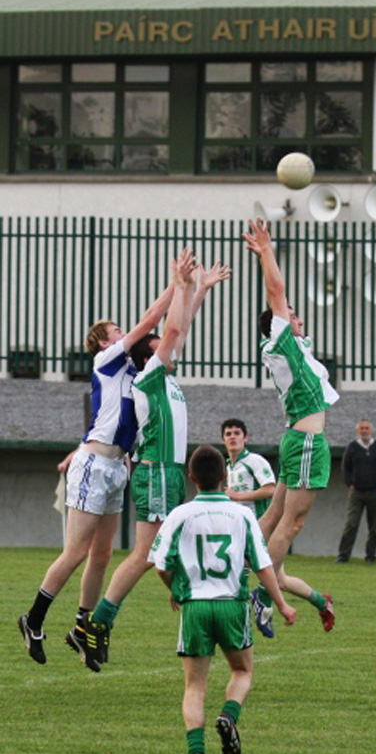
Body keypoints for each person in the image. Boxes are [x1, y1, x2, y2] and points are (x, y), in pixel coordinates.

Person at [18, 252, 192, 668]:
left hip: (118, 468)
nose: (123, 333)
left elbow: (173, 331)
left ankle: (81, 629)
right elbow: (153, 320)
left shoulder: (137, 372)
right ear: (101, 341)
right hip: (95, 463)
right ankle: (33, 618)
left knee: (101, 556)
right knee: (76, 551)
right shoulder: (106, 361)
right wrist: (177, 283)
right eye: (116, 330)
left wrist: (191, 290)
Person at [81, 262, 231, 670]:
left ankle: (165, 601)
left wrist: (198, 289)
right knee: (147, 554)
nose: (164, 341)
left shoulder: (163, 374)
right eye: (156, 341)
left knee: (157, 552)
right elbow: (175, 329)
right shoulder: (149, 373)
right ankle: (98, 622)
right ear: (148, 350)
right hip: (156, 471)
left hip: (164, 472)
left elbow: (181, 325)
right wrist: (181, 285)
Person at [148, 444, 297, 754]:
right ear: (224, 476)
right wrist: (282, 604)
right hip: (232, 605)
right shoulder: (242, 514)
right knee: (242, 670)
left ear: (191, 478)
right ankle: (228, 716)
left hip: (196, 607)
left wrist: (175, 588)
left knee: (195, 684)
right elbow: (263, 564)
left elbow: (160, 564)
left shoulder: (180, 514)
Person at [242, 218, 339, 638]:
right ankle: (262, 597)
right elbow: (277, 294)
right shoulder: (280, 339)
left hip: (299, 440)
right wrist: (267, 251)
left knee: (272, 523)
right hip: (304, 441)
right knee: (290, 526)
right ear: (278, 324)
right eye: (291, 316)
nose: (296, 318)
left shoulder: (294, 347)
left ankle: (248, 575)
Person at [336, 418, 376, 563]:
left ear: (371, 430)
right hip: (357, 492)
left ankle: (371, 556)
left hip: (375, 492)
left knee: (374, 526)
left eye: (367, 428)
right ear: (357, 431)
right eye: (362, 428)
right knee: (351, 524)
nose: (364, 431)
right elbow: (345, 467)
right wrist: (350, 484)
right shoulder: (352, 447)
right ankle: (343, 555)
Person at [221, 418, 276, 519]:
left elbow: (270, 490)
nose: (232, 437)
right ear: (223, 440)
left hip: (257, 521)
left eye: (237, 433)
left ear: (245, 438)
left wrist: (238, 496)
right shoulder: (229, 467)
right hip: (239, 522)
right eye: (228, 434)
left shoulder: (255, 460)